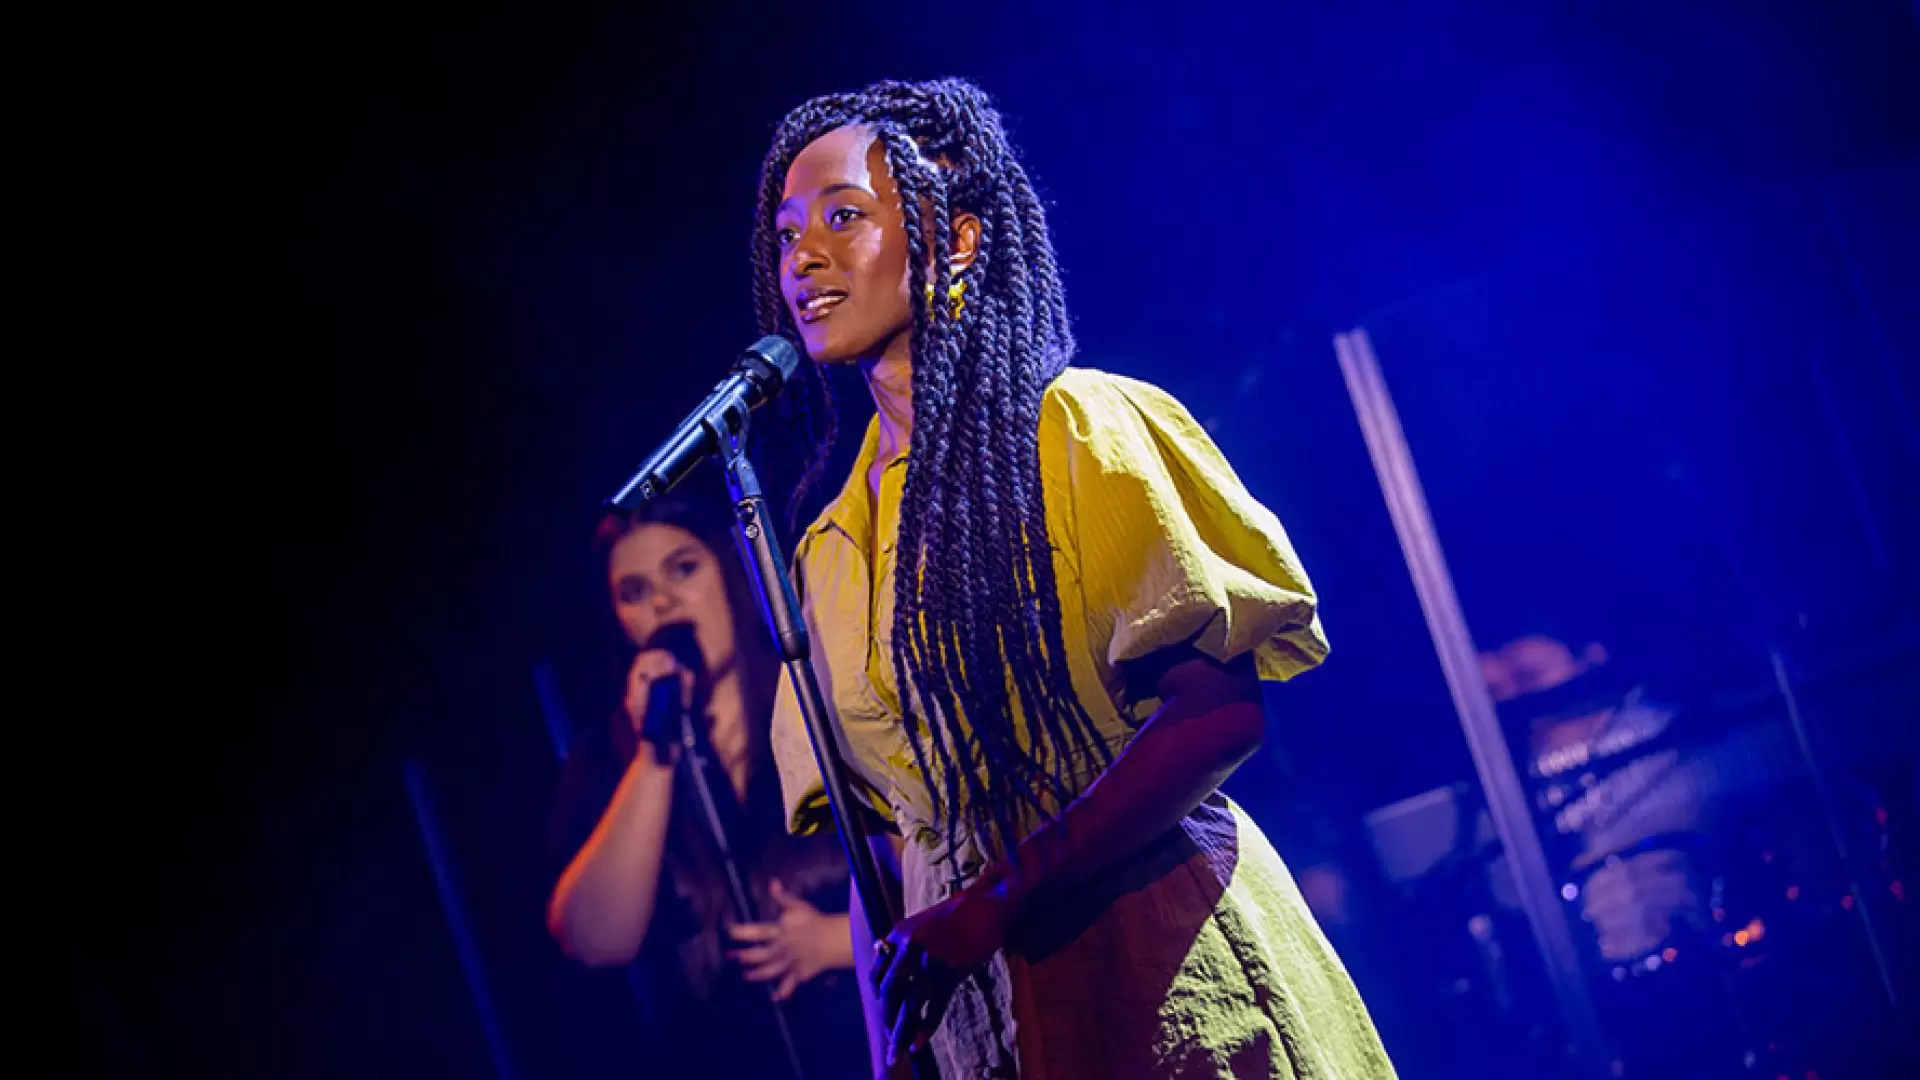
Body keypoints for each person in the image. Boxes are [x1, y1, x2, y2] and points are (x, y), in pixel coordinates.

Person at [754, 78, 1397, 1078]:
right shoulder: (827, 547)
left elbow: (1217, 716)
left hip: (1167, 981)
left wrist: (999, 899)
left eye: (845, 217)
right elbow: (878, 851)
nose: (805, 257)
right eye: (789, 233)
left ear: (956, 240)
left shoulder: (1078, 431)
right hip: (986, 1034)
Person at [546, 496, 870, 1078]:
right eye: (635, 592)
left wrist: (838, 941)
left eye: (683, 569)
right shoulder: (615, 759)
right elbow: (593, 938)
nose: (662, 603)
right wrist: (655, 750)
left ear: (729, 569)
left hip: (872, 1039)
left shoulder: (816, 694)